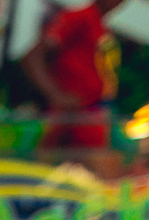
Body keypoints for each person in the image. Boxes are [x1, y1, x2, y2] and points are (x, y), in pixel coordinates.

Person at [21, 0, 128, 151]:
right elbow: (32, 57)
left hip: (89, 114)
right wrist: (57, 95)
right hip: (71, 116)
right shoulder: (79, 17)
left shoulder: (98, 23)